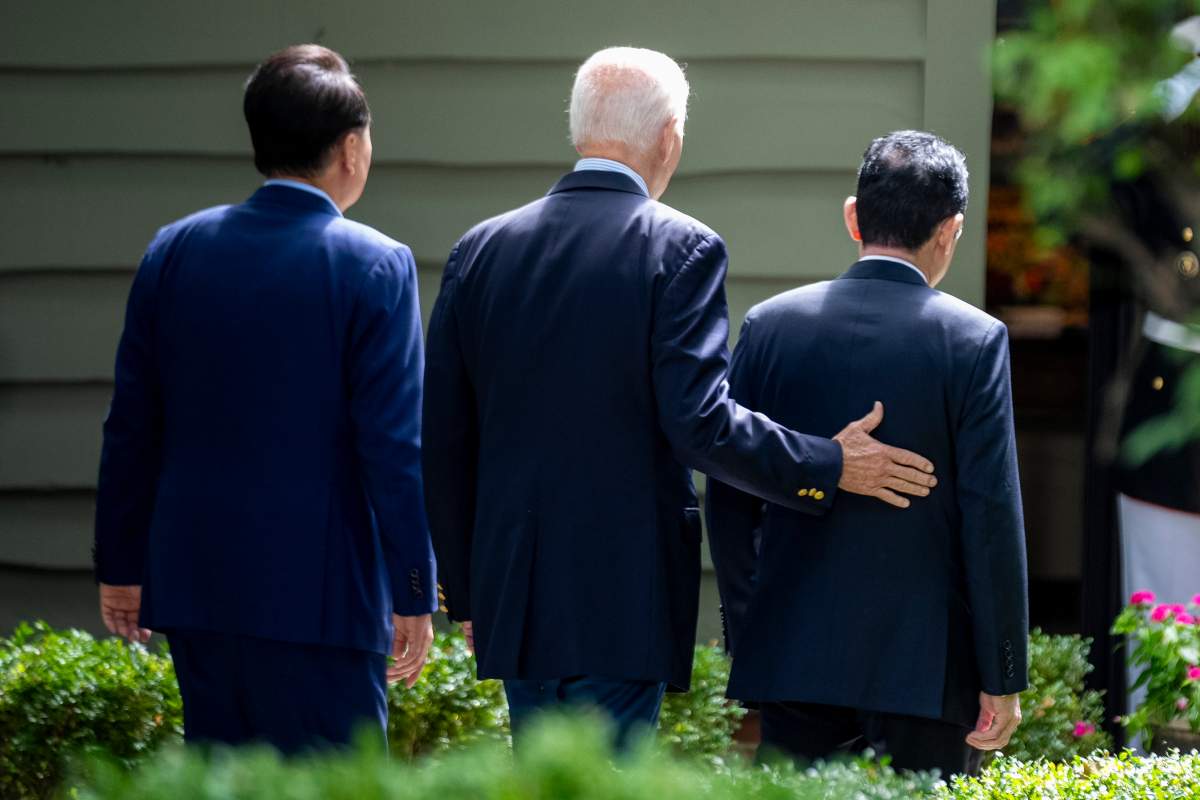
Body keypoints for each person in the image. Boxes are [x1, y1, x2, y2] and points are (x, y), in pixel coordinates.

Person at [421, 47, 938, 748]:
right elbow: (699, 424)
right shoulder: (680, 248)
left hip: (515, 591)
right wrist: (828, 463)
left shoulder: (480, 249)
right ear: (669, 136)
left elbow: (446, 437)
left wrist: (468, 589)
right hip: (622, 594)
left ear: (581, 129)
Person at [93, 44, 436, 754]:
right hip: (323, 597)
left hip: (197, 585)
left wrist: (121, 565)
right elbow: (393, 448)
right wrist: (413, 588)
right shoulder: (375, 263)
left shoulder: (174, 250)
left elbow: (131, 425)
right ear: (349, 148)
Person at [707, 131, 1029, 776]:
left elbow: (729, 496)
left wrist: (754, 628)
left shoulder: (770, 325)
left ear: (854, 216)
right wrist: (1001, 672)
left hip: (793, 657)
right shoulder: (974, 339)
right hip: (925, 669)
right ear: (950, 230)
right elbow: (990, 515)